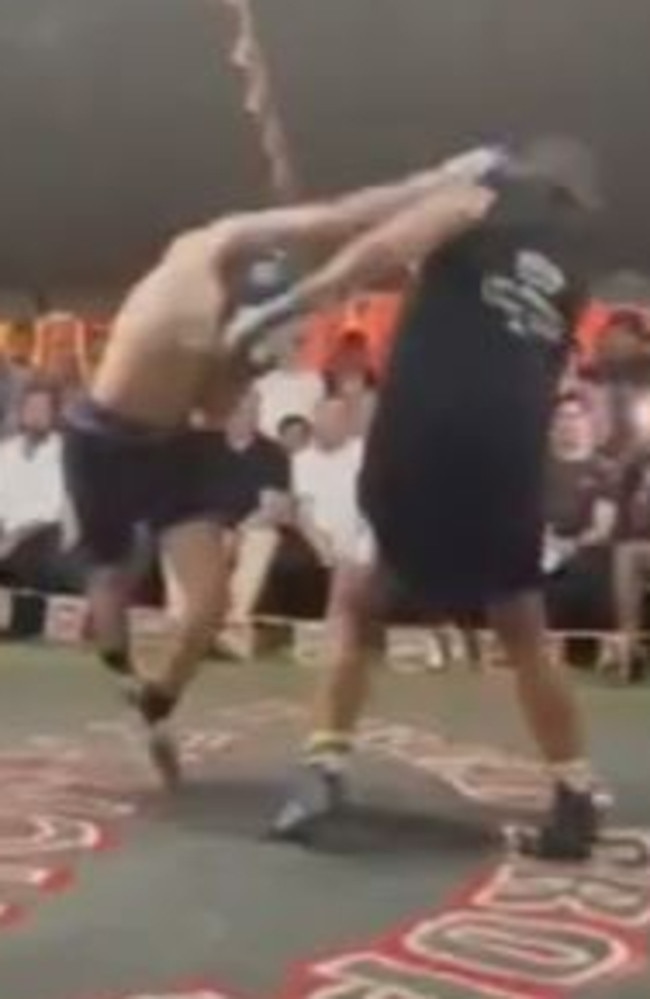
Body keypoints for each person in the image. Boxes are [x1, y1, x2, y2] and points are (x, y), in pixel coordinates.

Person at [63, 146, 497, 782]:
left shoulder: (240, 321)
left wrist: (433, 184)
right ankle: (122, 672)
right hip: (102, 438)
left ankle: (157, 704)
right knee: (111, 581)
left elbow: (337, 217)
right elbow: (208, 366)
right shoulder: (203, 252)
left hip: (172, 445)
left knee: (209, 604)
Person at [225, 136, 603, 859]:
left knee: (358, 597)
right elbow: (546, 368)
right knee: (520, 622)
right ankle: (574, 792)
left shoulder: (488, 192)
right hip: (509, 444)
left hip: (428, 423)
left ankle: (322, 770)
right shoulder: (573, 273)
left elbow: (389, 245)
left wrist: (293, 302)